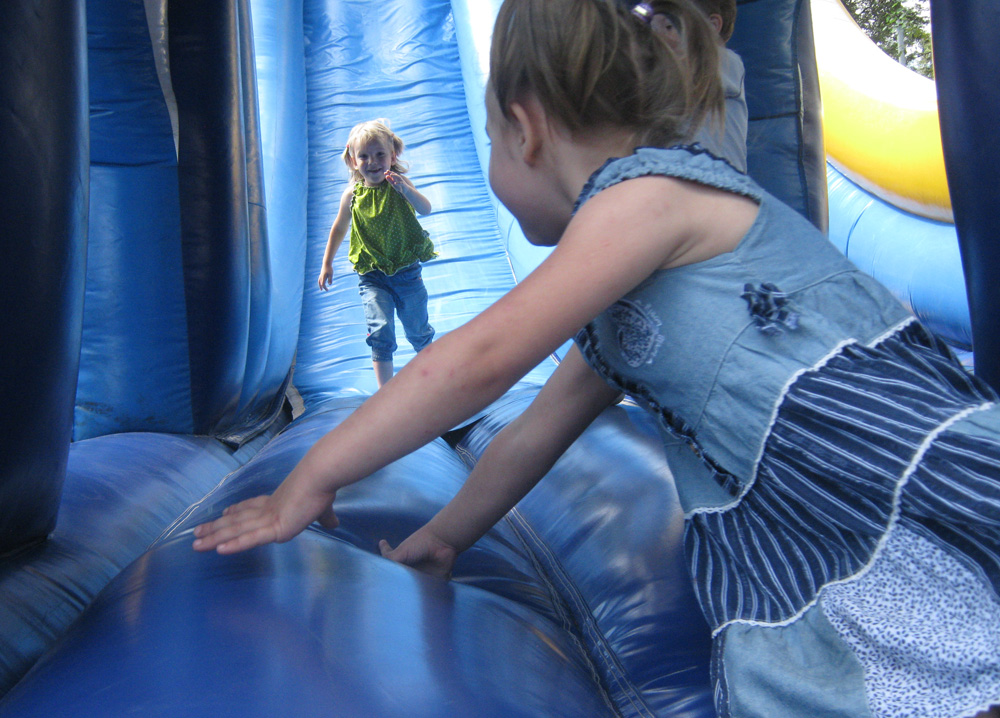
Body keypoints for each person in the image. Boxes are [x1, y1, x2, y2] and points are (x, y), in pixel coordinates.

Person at [194, 1, 1000, 716]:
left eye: (490, 140)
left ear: (525, 129)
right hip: (824, 520)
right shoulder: (621, 301)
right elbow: (529, 436)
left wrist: (316, 472)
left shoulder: (649, 196)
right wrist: (442, 539)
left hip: (881, 457)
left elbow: (484, 358)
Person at [317, 119, 437, 387]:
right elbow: (339, 227)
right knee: (380, 332)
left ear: (393, 156)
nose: (372, 162)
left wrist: (406, 190)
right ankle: (386, 394)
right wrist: (327, 263)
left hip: (407, 272)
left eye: (380, 154)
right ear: (353, 161)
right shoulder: (352, 194)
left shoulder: (399, 184)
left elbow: (426, 209)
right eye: (364, 156)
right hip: (372, 276)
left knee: (418, 330)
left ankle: (434, 382)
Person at [643, 0, 748, 171]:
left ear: (711, 27)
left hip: (714, 180)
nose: (656, 37)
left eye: (669, 26)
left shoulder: (725, 63)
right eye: (651, 27)